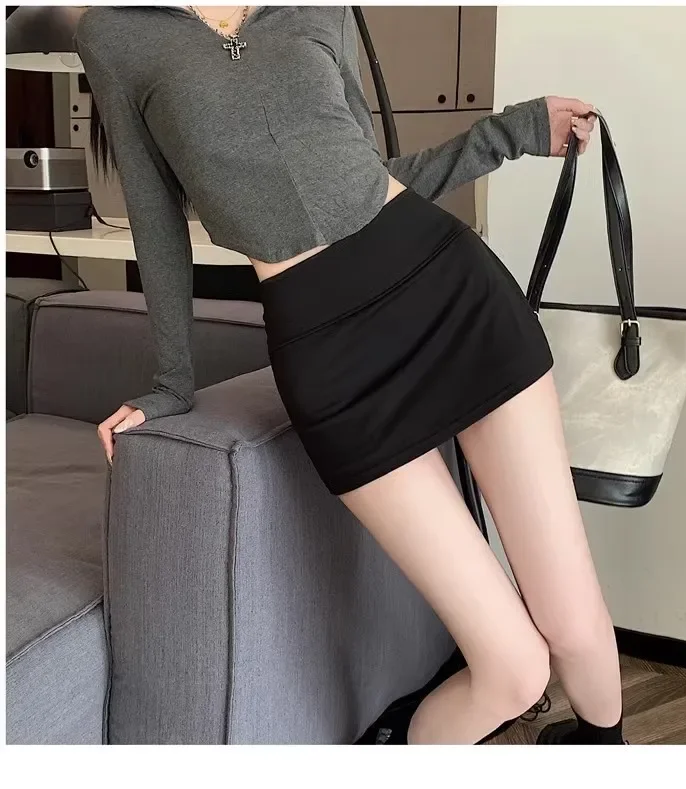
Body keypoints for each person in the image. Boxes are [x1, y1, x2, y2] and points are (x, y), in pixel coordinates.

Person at [74, 5, 624, 745]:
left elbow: (368, 172)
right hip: (331, 355)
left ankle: (603, 747)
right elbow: (155, 222)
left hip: (452, 295)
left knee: (573, 624)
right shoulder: (116, 35)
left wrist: (509, 133)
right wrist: (172, 383)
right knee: (515, 669)